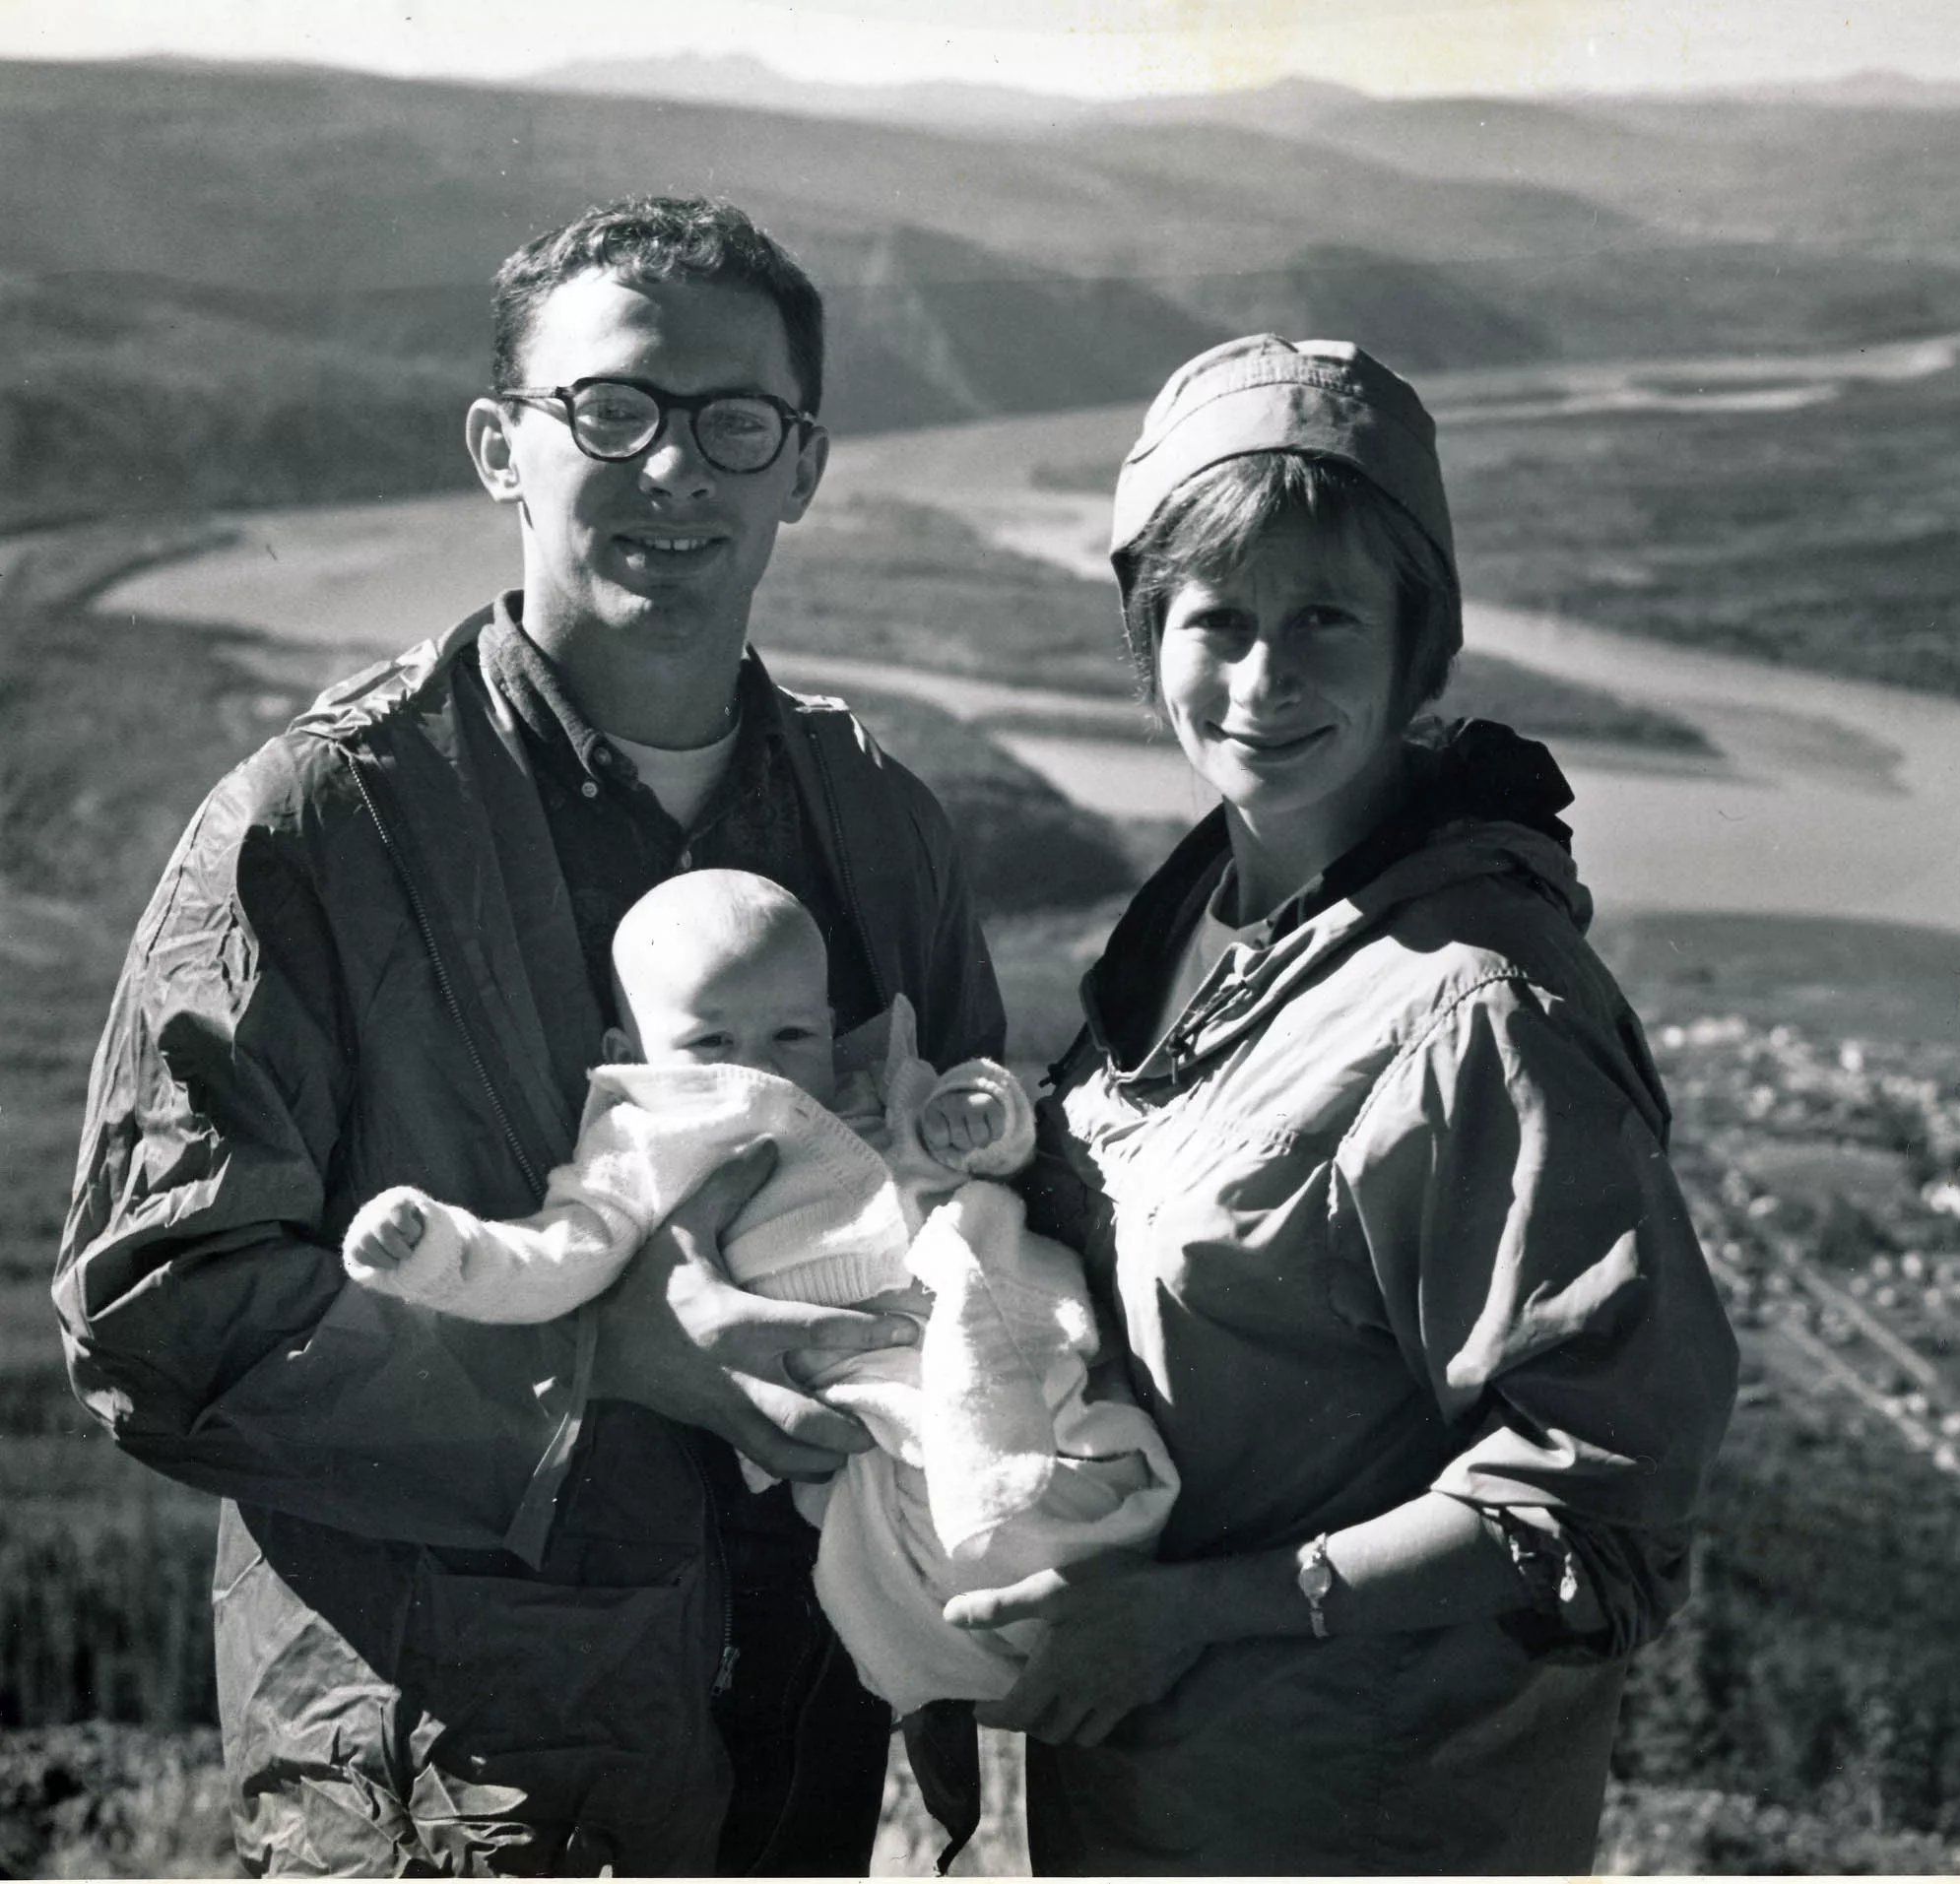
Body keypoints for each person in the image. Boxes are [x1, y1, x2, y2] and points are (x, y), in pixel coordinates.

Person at [54, 196, 1002, 1875]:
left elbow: (966, 1226)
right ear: (503, 446)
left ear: (806, 465)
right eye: (612, 410)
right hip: (448, 1795)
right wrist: (599, 1356)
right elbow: (156, 1311)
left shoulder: (876, 826)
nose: (675, 469)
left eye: (735, 421)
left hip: (800, 1750)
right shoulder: (318, 828)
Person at [947, 335, 1741, 1873]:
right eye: (1216, 617)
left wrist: (1186, 1611)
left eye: (1325, 616)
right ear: (1146, 637)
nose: (1263, 677)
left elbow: (1603, 1498)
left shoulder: (1479, 1008)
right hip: (1154, 1787)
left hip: (1353, 1813)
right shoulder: (1205, 916)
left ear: (1417, 647)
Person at [343, 869, 1176, 1716]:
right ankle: (1009, 1643)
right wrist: (441, 1251)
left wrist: (977, 1110)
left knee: (1090, 1461)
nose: (760, 1069)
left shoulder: (855, 1092)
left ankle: (1099, 1583)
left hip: (989, 1322)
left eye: (790, 1034)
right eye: (712, 1043)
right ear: (629, 1052)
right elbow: (559, 1254)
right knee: (931, 1558)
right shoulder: (641, 1138)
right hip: (871, 1406)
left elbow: (962, 1142)